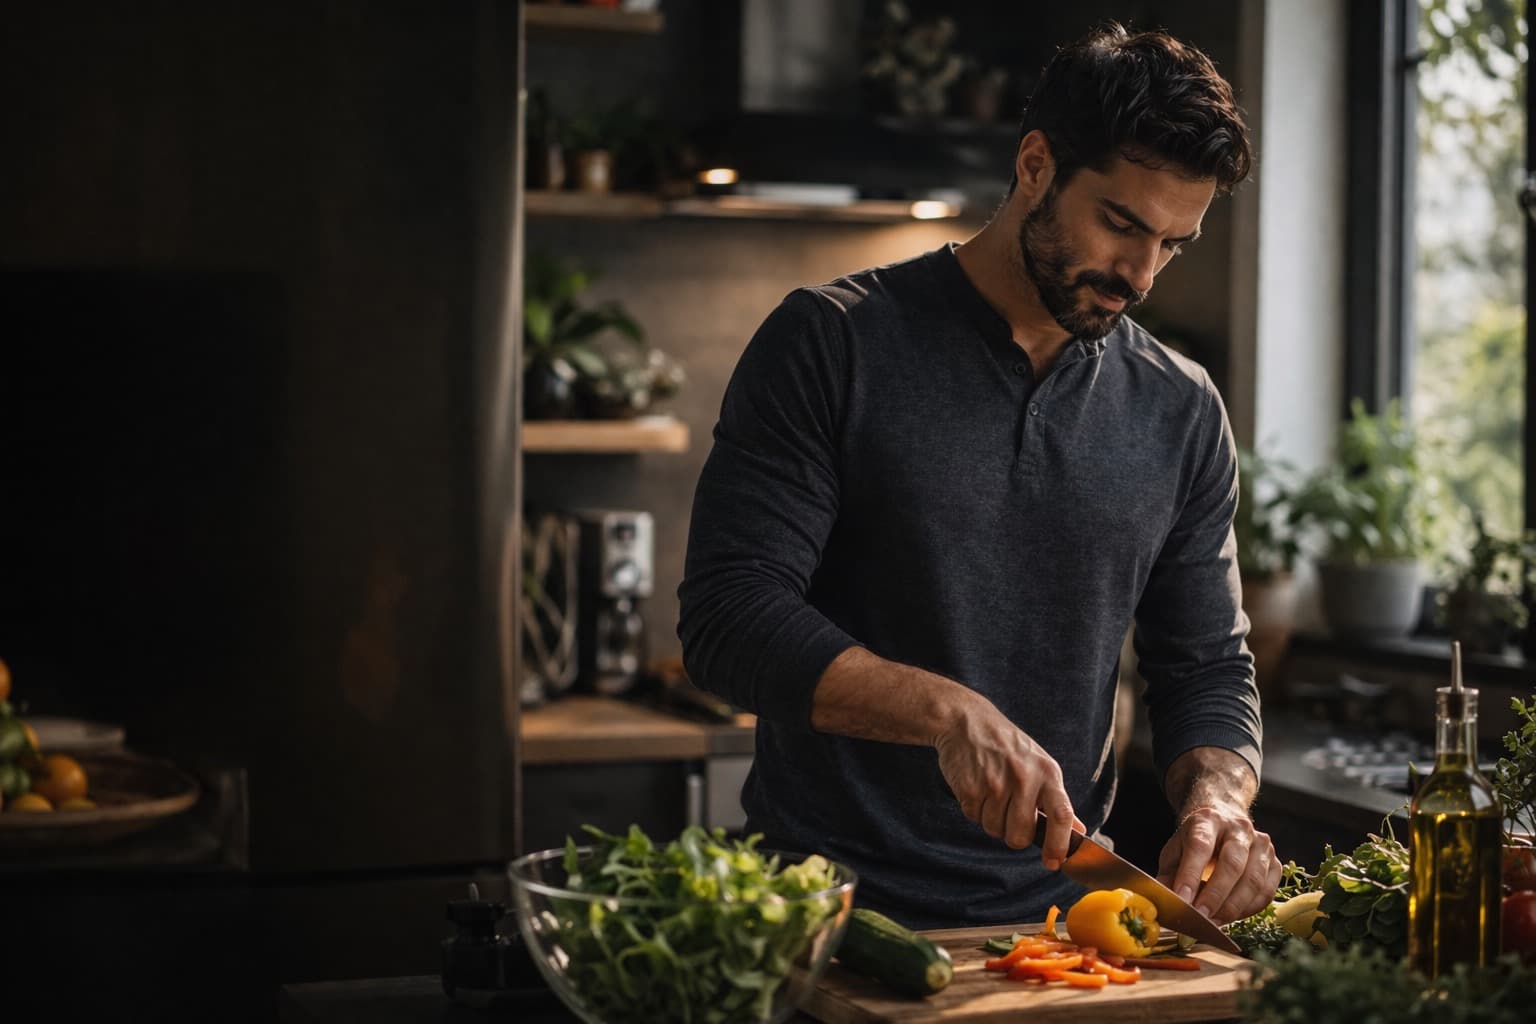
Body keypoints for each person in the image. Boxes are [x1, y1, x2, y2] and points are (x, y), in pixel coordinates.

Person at [678, 23, 1278, 930]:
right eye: (1120, 224)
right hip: (826, 921)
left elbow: (1206, 668)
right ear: (1035, 164)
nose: (1140, 274)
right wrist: (944, 712)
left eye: (1173, 243)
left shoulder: (1182, 409)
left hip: (1058, 933)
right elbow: (727, 619)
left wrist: (1219, 800)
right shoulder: (832, 342)